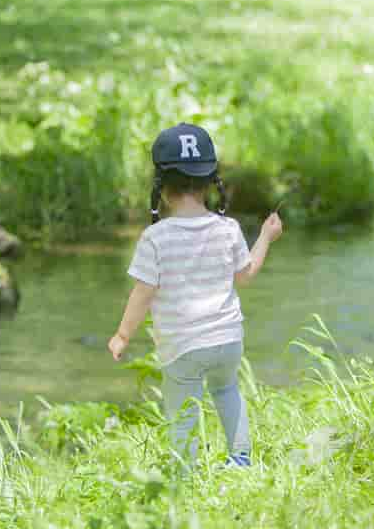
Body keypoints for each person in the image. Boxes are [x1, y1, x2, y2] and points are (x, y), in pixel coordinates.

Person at [108, 123, 284, 467]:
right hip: (228, 339)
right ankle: (240, 460)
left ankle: (185, 470)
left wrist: (122, 335)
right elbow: (245, 275)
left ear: (160, 188)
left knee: (183, 406)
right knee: (226, 390)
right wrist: (264, 237)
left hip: (183, 345)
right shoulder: (228, 228)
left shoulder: (156, 238)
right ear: (210, 183)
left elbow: (143, 293)